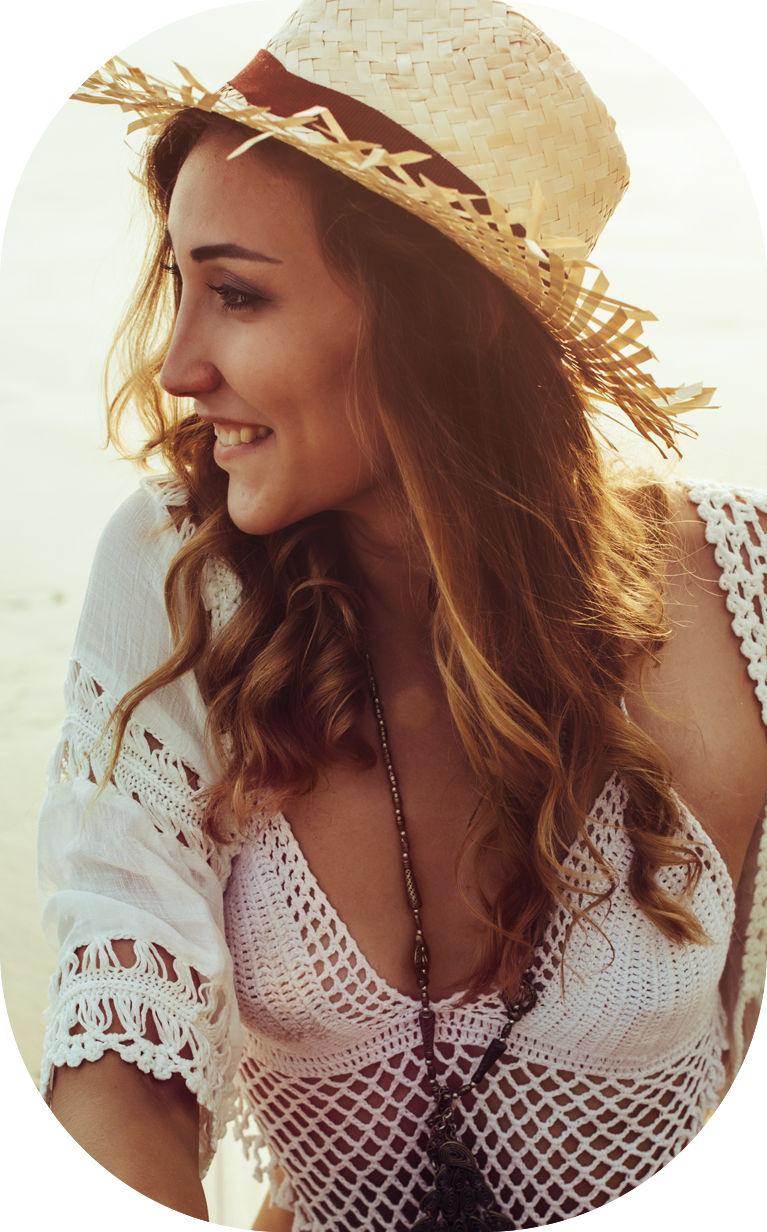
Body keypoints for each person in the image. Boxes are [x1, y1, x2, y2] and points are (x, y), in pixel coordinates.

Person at [38, 4, 767, 1230]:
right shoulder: (179, 575)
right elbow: (120, 1043)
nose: (176, 365)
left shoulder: (738, 592)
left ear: (445, 316)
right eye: (180, 285)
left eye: (238, 295)